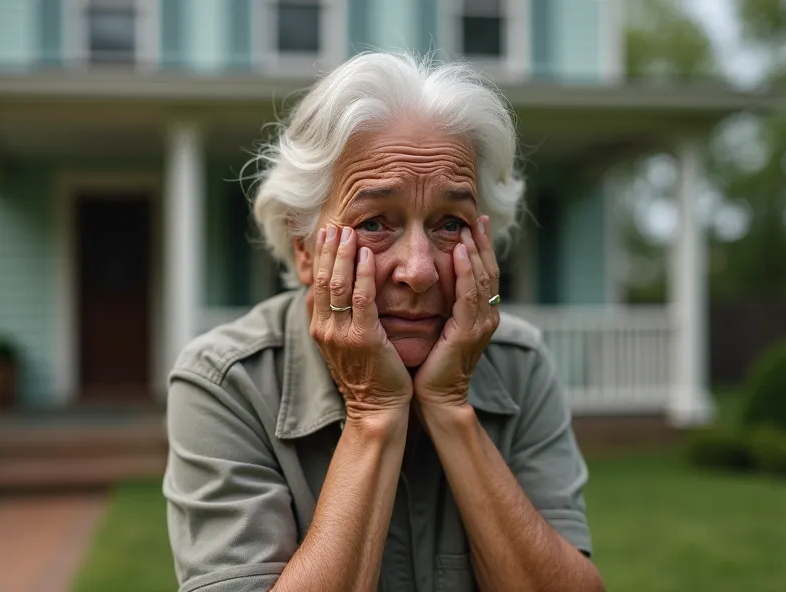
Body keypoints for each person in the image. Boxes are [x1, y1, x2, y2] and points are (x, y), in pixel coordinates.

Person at [162, 51, 605, 592]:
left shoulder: (521, 362)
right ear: (304, 248)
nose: (419, 271)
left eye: (449, 224)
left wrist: (449, 407)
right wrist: (374, 413)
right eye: (374, 222)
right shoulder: (226, 381)